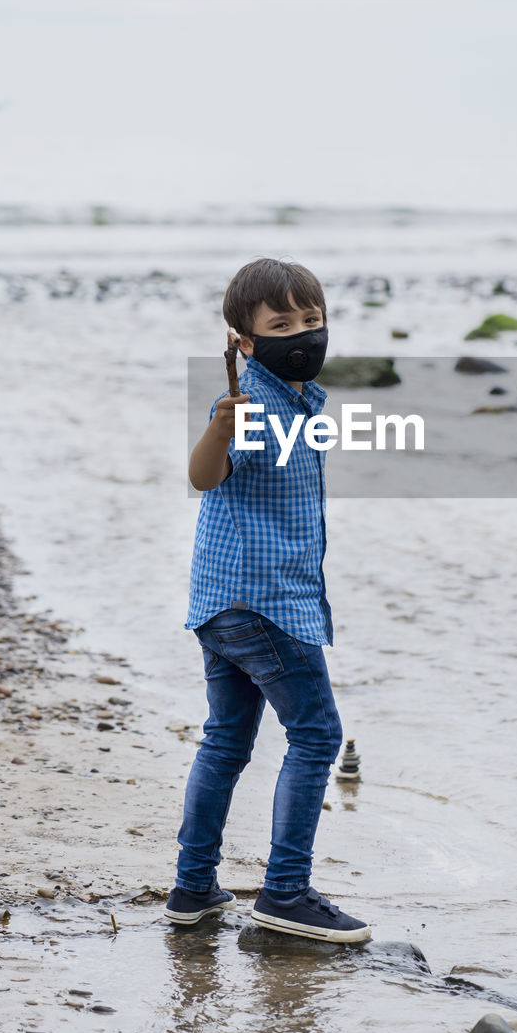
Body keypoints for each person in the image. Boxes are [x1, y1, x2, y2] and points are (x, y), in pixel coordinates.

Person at [165, 256, 371, 943]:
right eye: (281, 324)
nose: (303, 334)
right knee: (315, 735)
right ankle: (285, 892)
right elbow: (204, 475)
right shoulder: (249, 402)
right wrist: (220, 427)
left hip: (222, 599)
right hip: (264, 605)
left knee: (226, 740)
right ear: (243, 340)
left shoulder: (297, 394)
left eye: (312, 320)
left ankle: (192, 888)